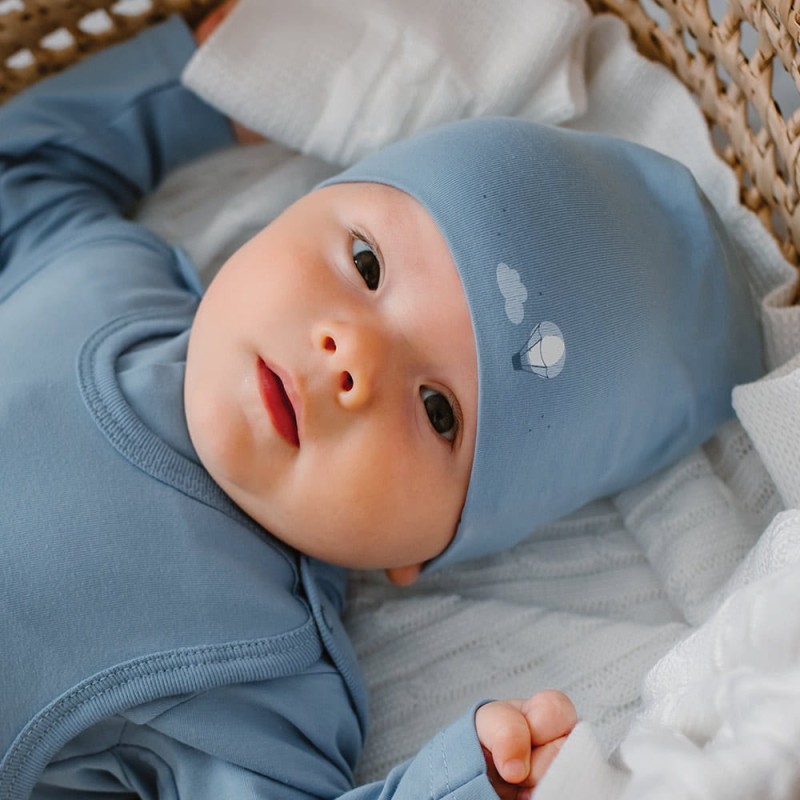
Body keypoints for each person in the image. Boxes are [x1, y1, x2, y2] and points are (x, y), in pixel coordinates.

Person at [0, 6, 761, 800]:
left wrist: (464, 784)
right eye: (364, 262)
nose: (353, 356)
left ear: (424, 551)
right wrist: (203, 92)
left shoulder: (267, 675)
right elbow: (22, 162)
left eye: (439, 412)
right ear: (296, 212)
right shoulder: (101, 267)